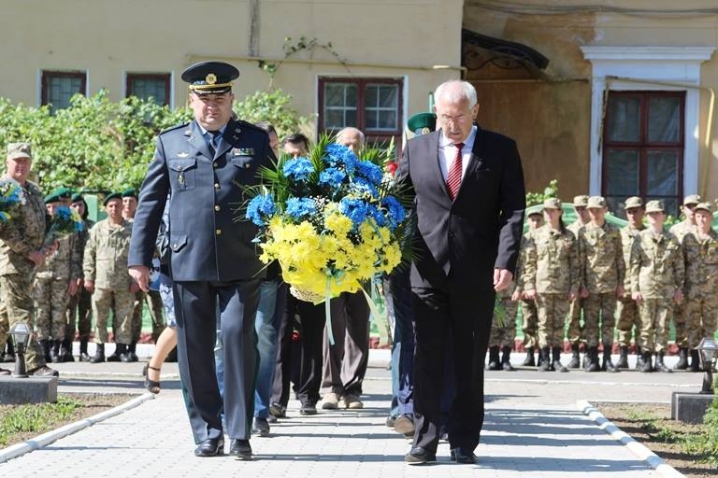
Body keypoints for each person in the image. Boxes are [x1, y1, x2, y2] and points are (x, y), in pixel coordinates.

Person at [127, 61, 273, 460]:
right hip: (188, 262)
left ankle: (240, 431)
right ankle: (208, 431)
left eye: (219, 97)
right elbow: (151, 204)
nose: (212, 105)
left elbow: (277, 198)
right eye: (204, 98)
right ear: (191, 100)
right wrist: (139, 258)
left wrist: (289, 249)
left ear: (231, 99)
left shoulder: (256, 141)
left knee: (237, 339)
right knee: (193, 349)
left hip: (242, 261)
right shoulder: (170, 142)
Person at [397, 80, 526, 465]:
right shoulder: (417, 148)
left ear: (476, 111)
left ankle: (463, 440)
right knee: (427, 358)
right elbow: (398, 199)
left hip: (477, 271)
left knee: (469, 358)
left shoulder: (500, 149)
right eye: (444, 117)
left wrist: (505, 261)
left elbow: (514, 211)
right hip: (427, 270)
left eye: (459, 116)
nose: (451, 125)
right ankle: (424, 439)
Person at [320, 127, 371, 411]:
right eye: (346, 145)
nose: (351, 151)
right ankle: (331, 388)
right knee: (332, 324)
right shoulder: (326, 178)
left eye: (356, 146)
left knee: (358, 325)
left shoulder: (370, 177)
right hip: (332, 264)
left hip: (362, 262)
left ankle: (353, 389)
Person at [0, 143, 58, 377]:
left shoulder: (33, 190)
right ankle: (35, 364)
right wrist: (28, 251)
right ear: (7, 161)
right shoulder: (4, 189)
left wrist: (52, 241)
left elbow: (44, 219)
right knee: (22, 312)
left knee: (4, 315)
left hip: (31, 264)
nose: (21, 165)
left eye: (25, 160)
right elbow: (4, 226)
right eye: (17, 160)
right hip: (12, 262)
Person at [522, 198, 579, 372]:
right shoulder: (536, 235)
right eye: (546, 210)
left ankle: (556, 359)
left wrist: (574, 287)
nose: (548, 214)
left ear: (560, 212)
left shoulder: (569, 236)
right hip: (543, 286)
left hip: (562, 286)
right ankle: (545, 359)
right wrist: (529, 285)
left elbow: (575, 264)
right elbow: (530, 262)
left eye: (552, 210)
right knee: (544, 323)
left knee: (559, 324)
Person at [630, 200, 684, 373]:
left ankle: (660, 359)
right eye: (651, 214)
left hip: (666, 288)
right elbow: (634, 265)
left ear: (664, 216)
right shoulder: (640, 238)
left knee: (662, 325)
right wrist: (635, 288)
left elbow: (679, 266)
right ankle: (646, 358)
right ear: (646, 217)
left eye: (657, 213)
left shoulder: (672, 239)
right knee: (645, 325)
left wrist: (678, 288)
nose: (654, 216)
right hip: (646, 288)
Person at [84, 193, 136, 363]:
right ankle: (99, 350)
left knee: (124, 317)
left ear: (123, 207)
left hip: (125, 281)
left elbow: (139, 253)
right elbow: (89, 253)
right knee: (100, 316)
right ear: (105, 208)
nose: (114, 209)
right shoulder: (98, 228)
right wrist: (88, 277)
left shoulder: (132, 228)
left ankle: (121, 350)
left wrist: (136, 279)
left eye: (118, 205)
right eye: (111, 206)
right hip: (101, 280)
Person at [33, 190, 82, 363]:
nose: (52, 209)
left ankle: (56, 347)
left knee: (59, 313)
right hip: (41, 275)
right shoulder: (39, 226)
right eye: (49, 206)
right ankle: (43, 346)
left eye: (55, 206)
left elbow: (76, 254)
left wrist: (74, 277)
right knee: (41, 313)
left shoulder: (69, 227)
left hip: (62, 276)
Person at [577, 196, 623, 373]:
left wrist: (621, 283)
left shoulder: (614, 231)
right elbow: (579, 261)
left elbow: (619, 258)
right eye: (591, 210)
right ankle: (592, 358)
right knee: (591, 323)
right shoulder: (583, 232)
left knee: (609, 322)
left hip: (610, 284)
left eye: (597, 209)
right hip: (591, 285)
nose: (594, 213)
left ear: (605, 210)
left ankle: (608, 359)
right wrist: (582, 285)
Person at [682, 202, 718, 372]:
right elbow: (682, 264)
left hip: (712, 290)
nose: (702, 219)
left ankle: (709, 362)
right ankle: (695, 361)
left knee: (710, 326)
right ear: (694, 218)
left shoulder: (716, 239)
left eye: (705, 216)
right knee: (693, 325)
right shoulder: (688, 239)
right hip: (693, 291)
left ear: (711, 217)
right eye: (698, 216)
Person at [669, 194, 701, 370]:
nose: (693, 210)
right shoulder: (675, 230)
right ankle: (682, 356)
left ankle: (697, 357)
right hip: (680, 283)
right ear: (683, 209)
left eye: (696, 206)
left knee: (697, 321)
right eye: (689, 206)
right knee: (680, 318)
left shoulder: (706, 230)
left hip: (701, 284)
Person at [616, 197, 645, 369]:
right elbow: (616, 260)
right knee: (623, 322)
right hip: (625, 285)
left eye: (636, 211)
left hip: (643, 286)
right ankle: (623, 356)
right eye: (629, 211)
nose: (633, 214)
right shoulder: (619, 234)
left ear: (643, 212)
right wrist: (618, 283)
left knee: (643, 322)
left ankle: (642, 356)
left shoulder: (649, 234)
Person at [66, 192, 95, 361]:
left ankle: (84, 349)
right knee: (69, 312)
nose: (78, 208)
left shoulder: (92, 226)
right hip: (70, 275)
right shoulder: (66, 226)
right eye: (74, 205)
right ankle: (67, 348)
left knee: (86, 313)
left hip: (88, 275)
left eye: (81, 205)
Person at [513, 207, 544, 367]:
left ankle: (543, 355)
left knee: (543, 322)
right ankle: (530, 353)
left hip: (543, 286)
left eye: (538, 220)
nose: (535, 223)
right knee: (528, 321)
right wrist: (521, 287)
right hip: (525, 286)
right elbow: (520, 266)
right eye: (532, 220)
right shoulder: (523, 240)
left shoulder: (546, 237)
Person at [566, 195, 590, 368]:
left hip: (593, 282)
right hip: (573, 282)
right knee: (573, 318)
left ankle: (589, 353)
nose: (581, 212)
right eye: (578, 209)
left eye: (584, 208)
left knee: (591, 318)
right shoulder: (569, 231)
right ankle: (575, 352)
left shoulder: (594, 229)